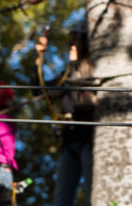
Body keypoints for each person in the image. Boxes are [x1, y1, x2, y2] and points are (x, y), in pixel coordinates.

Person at [34, 21, 96, 206]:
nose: (72, 45)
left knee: (93, 193)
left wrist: (76, 64)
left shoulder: (94, 70)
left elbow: (82, 97)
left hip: (90, 140)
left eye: (76, 41)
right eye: (70, 41)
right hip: (69, 140)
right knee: (61, 199)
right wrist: (39, 58)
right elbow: (39, 89)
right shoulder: (66, 74)